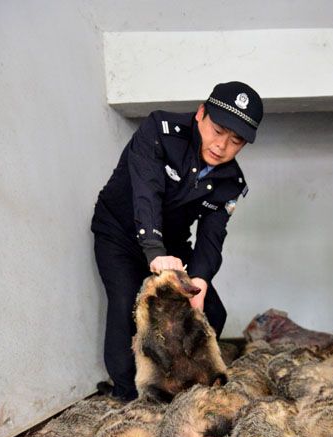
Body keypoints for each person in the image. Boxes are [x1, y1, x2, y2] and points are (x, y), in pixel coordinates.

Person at [92, 81, 263, 400]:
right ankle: (127, 396)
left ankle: (180, 382)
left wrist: (200, 280)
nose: (221, 145)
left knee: (212, 311)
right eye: (218, 130)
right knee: (127, 301)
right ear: (201, 113)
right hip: (121, 232)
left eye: (235, 140)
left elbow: (212, 237)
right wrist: (154, 251)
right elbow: (147, 192)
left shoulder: (231, 182)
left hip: (171, 245)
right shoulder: (159, 130)